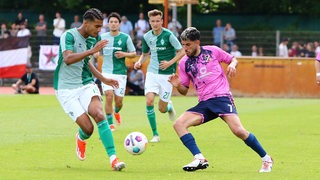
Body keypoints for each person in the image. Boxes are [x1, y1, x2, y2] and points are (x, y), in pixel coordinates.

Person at [168, 27, 273, 173]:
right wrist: (177, 85)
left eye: (188, 45)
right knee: (179, 124)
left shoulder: (213, 51)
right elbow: (184, 91)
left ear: (197, 42)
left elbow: (233, 59)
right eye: (183, 44)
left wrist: (232, 65)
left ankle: (266, 158)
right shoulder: (184, 63)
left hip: (221, 97)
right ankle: (199, 158)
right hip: (204, 103)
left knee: (239, 131)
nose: (185, 48)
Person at [53, 8, 125, 171]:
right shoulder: (69, 35)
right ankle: (81, 137)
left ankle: (114, 159)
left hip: (86, 84)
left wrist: (103, 78)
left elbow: (87, 62)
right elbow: (68, 59)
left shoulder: (93, 39)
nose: (99, 30)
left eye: (101, 27)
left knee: (100, 115)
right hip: (65, 89)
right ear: (86, 23)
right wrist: (92, 51)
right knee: (88, 128)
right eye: (97, 26)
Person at [134, 9, 185, 143]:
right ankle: (155, 134)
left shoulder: (169, 35)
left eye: (158, 21)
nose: (155, 24)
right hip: (152, 73)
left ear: (162, 21)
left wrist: (170, 63)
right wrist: (139, 62)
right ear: (149, 22)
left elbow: (181, 51)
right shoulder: (146, 37)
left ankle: (168, 106)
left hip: (167, 76)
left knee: (161, 109)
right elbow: (145, 54)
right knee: (149, 101)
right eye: (152, 21)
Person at [100, 12, 136, 131]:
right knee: (109, 96)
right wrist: (95, 54)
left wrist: (124, 54)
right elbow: (96, 52)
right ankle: (110, 124)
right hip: (106, 72)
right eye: (111, 22)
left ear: (119, 24)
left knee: (119, 102)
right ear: (108, 24)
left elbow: (134, 53)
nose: (113, 24)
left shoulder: (125, 38)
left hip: (120, 74)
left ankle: (116, 112)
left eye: (116, 22)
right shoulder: (102, 37)